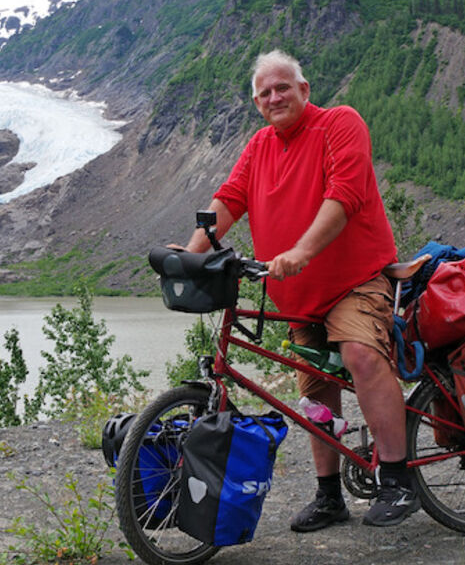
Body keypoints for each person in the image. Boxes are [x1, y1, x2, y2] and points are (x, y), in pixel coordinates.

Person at [174, 49, 420, 529]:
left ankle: (397, 478)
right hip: (300, 296)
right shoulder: (260, 145)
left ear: (304, 90)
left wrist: (303, 251)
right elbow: (228, 201)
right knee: (314, 391)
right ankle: (330, 495)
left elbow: (344, 195)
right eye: (264, 92)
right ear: (256, 103)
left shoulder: (340, 124)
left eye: (282, 86)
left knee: (361, 355)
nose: (274, 96)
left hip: (356, 280)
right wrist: (190, 255)